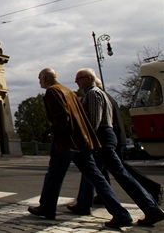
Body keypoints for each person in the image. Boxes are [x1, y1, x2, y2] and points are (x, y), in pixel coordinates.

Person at [27, 68, 133, 229]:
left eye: (40, 78)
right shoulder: (69, 91)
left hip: (66, 141)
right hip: (81, 141)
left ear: (46, 78)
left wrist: (54, 131)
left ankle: (47, 208)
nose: (39, 81)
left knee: (54, 175)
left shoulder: (53, 91)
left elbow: (62, 117)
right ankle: (121, 213)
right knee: (97, 178)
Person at [68, 68, 164, 226]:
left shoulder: (92, 94)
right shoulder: (99, 93)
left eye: (78, 79)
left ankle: (150, 209)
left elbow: (94, 122)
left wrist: (86, 141)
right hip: (105, 136)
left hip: (101, 138)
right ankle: (84, 204)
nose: (76, 82)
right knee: (94, 174)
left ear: (87, 79)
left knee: (121, 175)